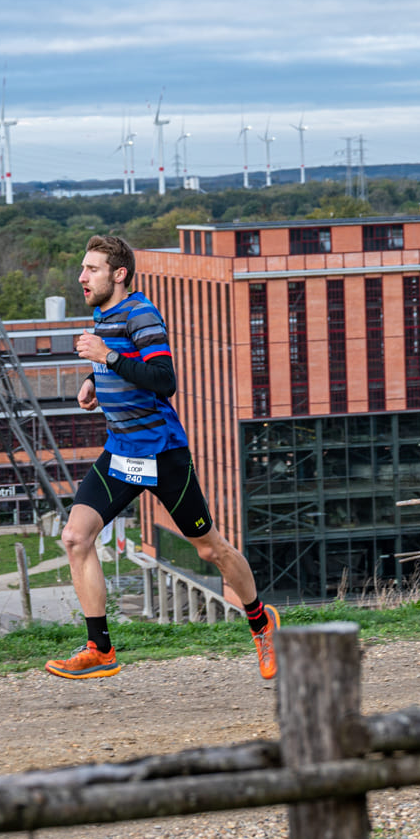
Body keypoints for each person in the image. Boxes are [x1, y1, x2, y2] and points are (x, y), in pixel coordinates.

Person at [43, 235, 281, 680]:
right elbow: (122, 365)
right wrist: (96, 380)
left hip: (162, 453)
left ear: (119, 274)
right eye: (82, 268)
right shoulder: (104, 313)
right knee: (76, 537)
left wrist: (106, 357)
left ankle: (260, 621)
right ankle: (100, 649)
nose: (82, 277)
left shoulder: (141, 313)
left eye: (91, 269)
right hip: (121, 452)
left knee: (211, 549)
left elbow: (163, 379)